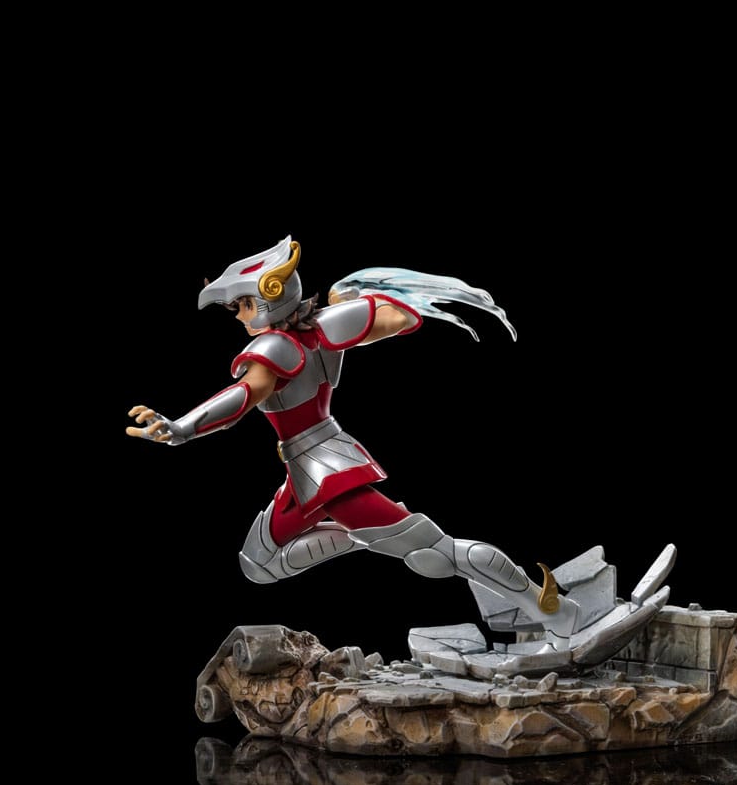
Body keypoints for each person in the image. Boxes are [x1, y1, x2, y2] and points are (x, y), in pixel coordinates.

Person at [127, 237, 580, 647]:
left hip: (327, 473)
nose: (240, 315)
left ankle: (556, 612)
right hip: (307, 470)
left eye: (243, 305)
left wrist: (183, 427)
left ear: (269, 298)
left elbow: (246, 394)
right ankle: (363, 537)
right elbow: (399, 317)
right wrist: (360, 299)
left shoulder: (273, 348)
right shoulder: (325, 329)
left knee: (434, 552)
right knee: (258, 563)